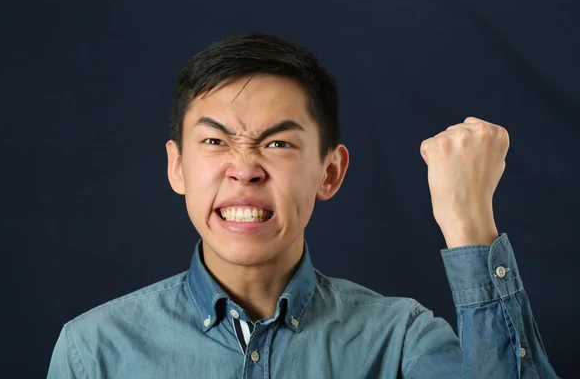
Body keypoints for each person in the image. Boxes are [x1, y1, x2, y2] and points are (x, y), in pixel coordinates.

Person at [47, 32, 559, 378]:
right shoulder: (93, 351)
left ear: (330, 172)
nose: (244, 168)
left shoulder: (401, 342)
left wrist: (469, 224)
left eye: (277, 143)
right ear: (177, 168)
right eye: (214, 142)